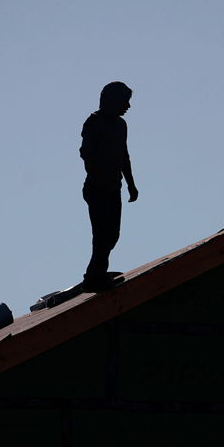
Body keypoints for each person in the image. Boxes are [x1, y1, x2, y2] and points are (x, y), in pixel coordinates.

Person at [80, 81, 138, 292]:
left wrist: (131, 184)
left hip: (114, 188)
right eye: (125, 102)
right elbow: (86, 153)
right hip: (97, 189)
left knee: (112, 234)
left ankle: (96, 273)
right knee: (102, 235)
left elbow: (124, 157)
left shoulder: (121, 126)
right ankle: (93, 277)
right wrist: (100, 173)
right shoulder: (93, 122)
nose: (128, 107)